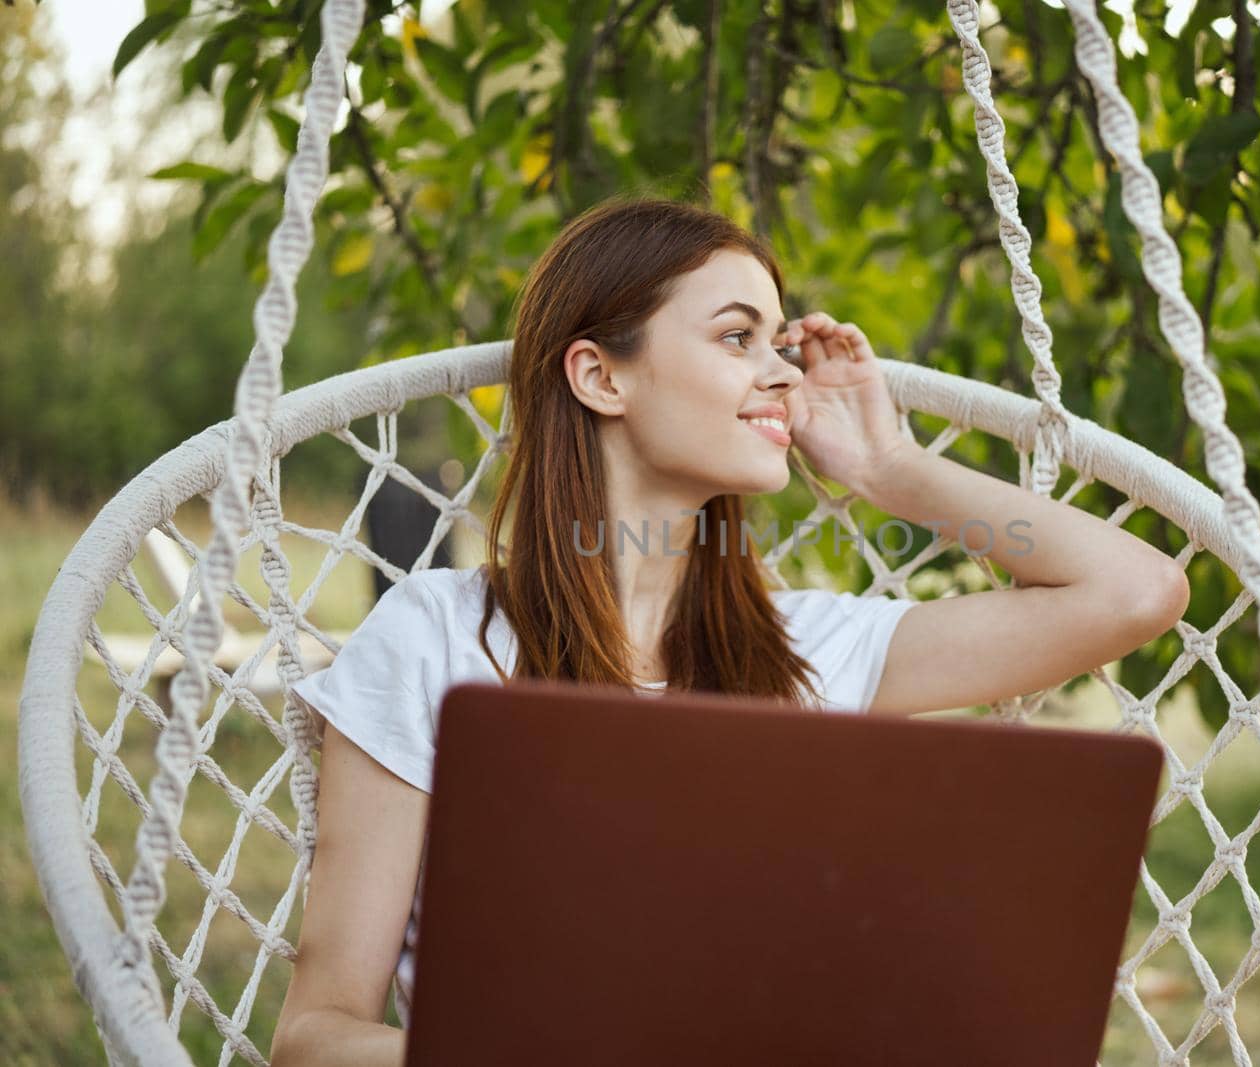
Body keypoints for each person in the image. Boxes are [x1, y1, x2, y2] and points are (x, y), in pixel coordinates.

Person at [269, 194, 1190, 1066]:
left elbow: (1134, 591)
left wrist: (890, 467)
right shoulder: (437, 638)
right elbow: (316, 1035)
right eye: (738, 336)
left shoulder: (807, 651)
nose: (784, 374)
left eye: (779, 343)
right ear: (599, 374)